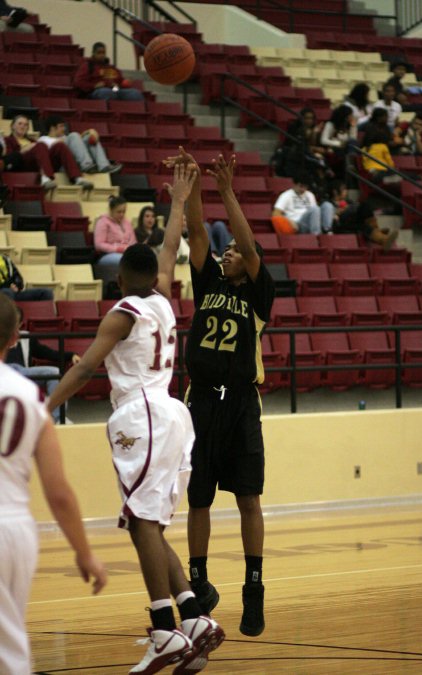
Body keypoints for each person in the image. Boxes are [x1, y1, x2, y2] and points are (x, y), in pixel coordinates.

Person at [48, 164, 225, 675]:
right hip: (172, 413)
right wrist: (179, 200)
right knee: (147, 525)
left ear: (122, 276)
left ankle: (163, 628)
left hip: (141, 415)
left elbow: (84, 367)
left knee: (141, 523)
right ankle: (192, 619)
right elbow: (169, 248)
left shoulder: (122, 308)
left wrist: (43, 406)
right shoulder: (164, 299)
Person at [164, 148, 275, 637]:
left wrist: (227, 190)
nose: (228, 251)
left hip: (241, 402)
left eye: (234, 251)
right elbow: (196, 233)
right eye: (225, 249)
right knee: (199, 499)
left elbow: (250, 251)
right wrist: (190, 188)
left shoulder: (257, 291)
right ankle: (200, 582)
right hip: (202, 400)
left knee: (249, 498)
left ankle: (254, 589)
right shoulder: (208, 279)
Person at [0, 292, 107, 675]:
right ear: (15, 339)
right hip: (15, 531)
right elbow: (58, 492)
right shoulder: (31, 397)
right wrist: (84, 552)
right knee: (9, 649)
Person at [6, 306, 80, 424]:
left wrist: (70, 355)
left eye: (14, 322)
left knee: (54, 372)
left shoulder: (26, 337)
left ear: (20, 324)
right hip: (3, 371)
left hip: (23, 373)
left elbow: (47, 353)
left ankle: (58, 418)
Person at [4, 115, 93, 191]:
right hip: (23, 165)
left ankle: (77, 178)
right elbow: (7, 160)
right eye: (20, 124)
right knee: (41, 145)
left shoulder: (32, 140)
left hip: (39, 163)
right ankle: (46, 178)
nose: (23, 126)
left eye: (26, 124)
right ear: (13, 126)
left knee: (60, 145)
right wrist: (22, 151)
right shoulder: (7, 140)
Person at [39, 115, 122, 175]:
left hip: (76, 163)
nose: (64, 129)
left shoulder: (67, 137)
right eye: (61, 126)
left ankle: (104, 166)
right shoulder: (43, 139)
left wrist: (89, 131)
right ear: (52, 128)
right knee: (74, 135)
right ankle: (87, 165)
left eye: (64, 126)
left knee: (90, 137)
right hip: (61, 166)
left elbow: (77, 142)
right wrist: (66, 140)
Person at [74, 42, 144, 101]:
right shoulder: (88, 66)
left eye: (103, 52)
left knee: (135, 94)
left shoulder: (111, 67)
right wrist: (94, 86)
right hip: (96, 91)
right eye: (99, 53)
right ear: (93, 53)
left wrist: (123, 83)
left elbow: (120, 80)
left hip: (114, 89)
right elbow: (78, 82)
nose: (102, 55)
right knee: (107, 93)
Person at [94, 195, 137, 267]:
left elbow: (133, 241)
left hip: (126, 253)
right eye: (119, 212)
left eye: (124, 212)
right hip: (107, 254)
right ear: (111, 210)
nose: (122, 214)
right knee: (126, 260)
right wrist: (118, 249)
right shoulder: (103, 222)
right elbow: (99, 245)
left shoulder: (127, 222)